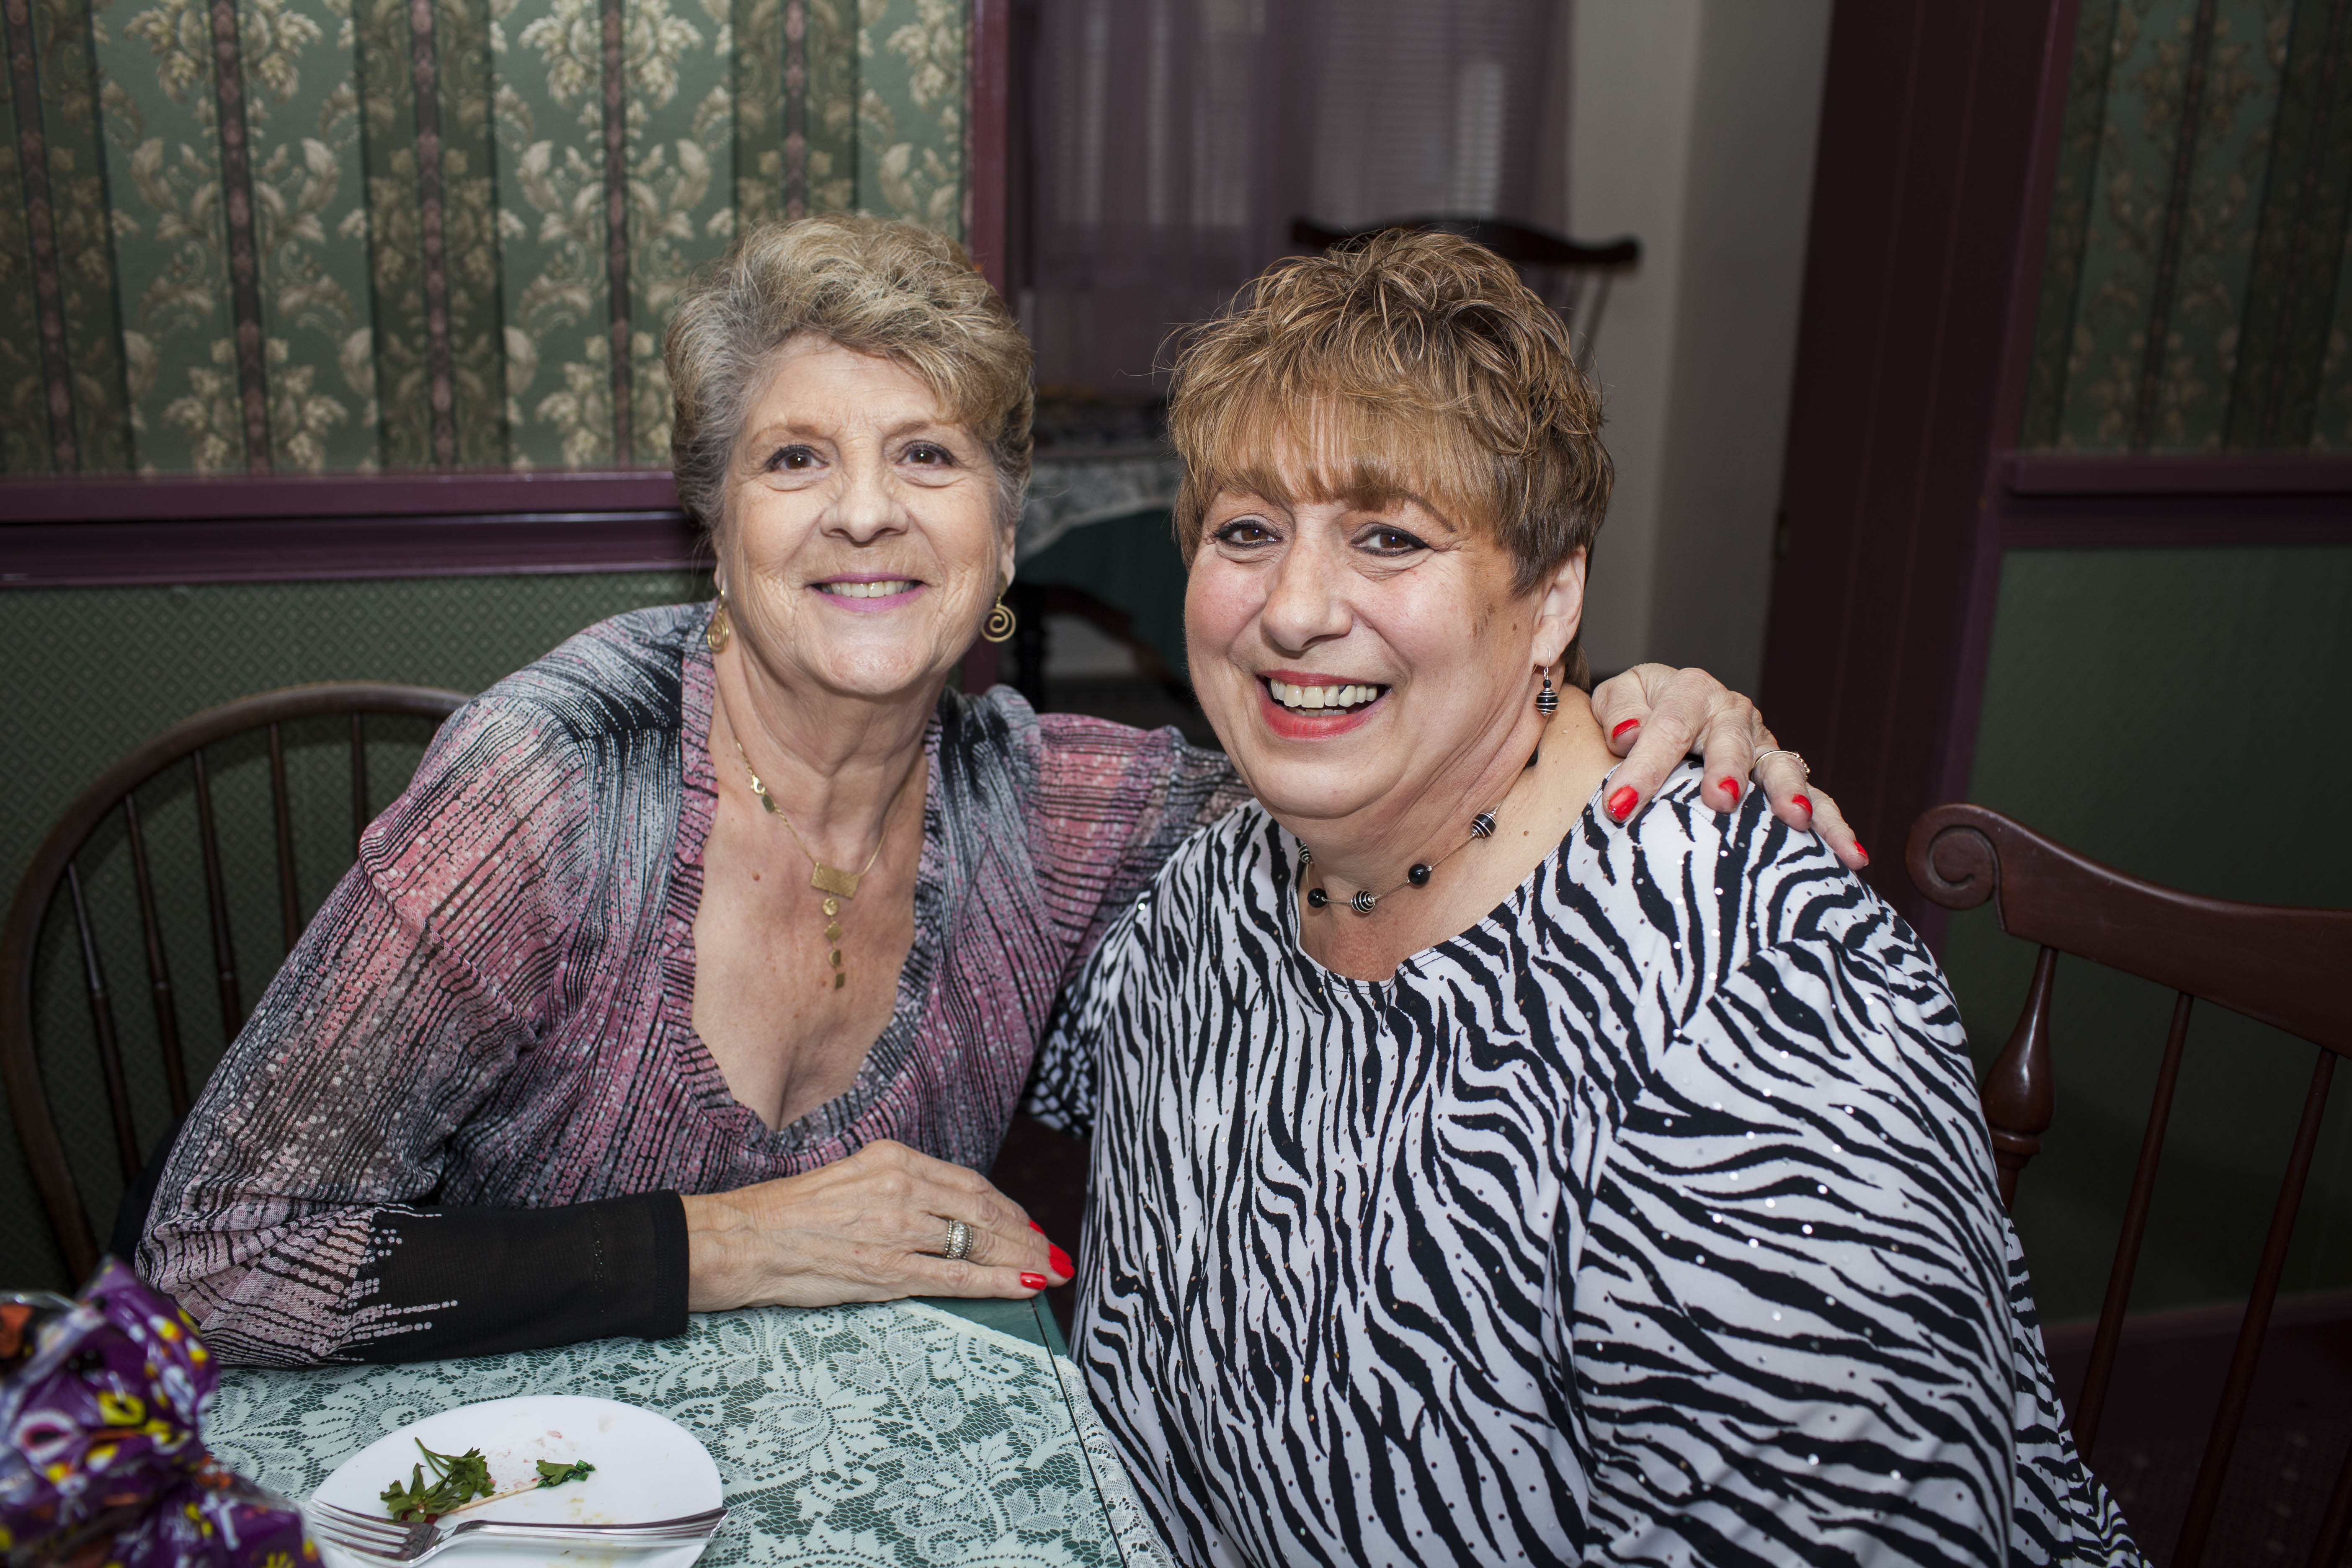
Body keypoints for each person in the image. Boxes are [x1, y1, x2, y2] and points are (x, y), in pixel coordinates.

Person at [142, 215, 1846, 1368]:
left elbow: (1383, 763)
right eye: (795, 458)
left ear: (1006, 536)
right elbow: (217, 1256)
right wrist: (735, 1245)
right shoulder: (559, 786)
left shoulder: (1060, 813)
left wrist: (1620, 703)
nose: (865, 513)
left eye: (929, 455)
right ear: (714, 532)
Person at [1029, 230, 2142, 1565]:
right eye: (1248, 532)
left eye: (1389, 536)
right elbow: (994, 1023)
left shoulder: (1762, 1003)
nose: (1295, 609)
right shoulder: (1216, 887)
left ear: (1554, 598)